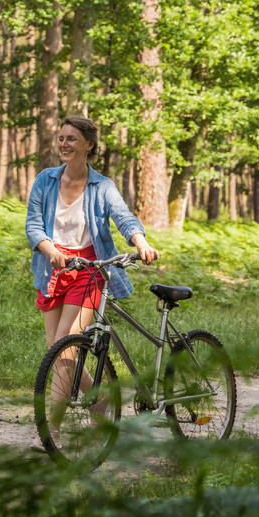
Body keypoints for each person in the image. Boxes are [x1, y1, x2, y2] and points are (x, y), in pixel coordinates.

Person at [25, 116, 160, 450]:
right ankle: (100, 403)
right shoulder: (46, 180)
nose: (64, 144)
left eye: (72, 139)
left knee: (66, 342)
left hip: (89, 269)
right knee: (58, 354)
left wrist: (140, 242)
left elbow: (124, 218)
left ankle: (50, 433)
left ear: (89, 144)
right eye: (61, 138)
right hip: (53, 270)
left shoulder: (102, 186)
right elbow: (33, 227)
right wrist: (51, 250)